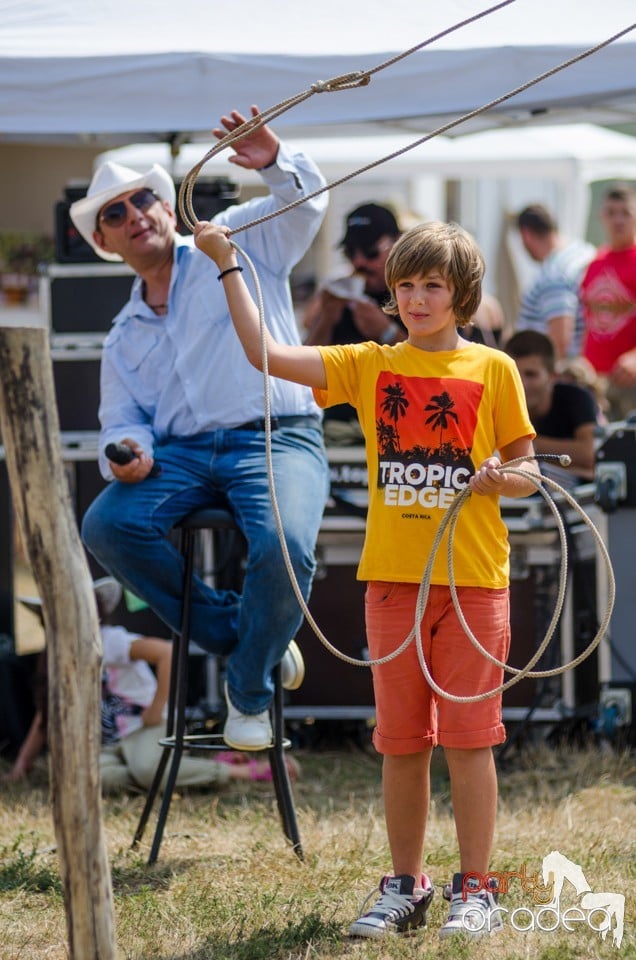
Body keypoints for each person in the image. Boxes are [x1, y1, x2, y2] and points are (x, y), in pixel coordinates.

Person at [193, 217, 539, 940]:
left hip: (473, 581)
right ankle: (405, 886)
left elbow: (529, 470)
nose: (416, 299)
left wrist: (501, 478)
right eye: (405, 285)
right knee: (402, 743)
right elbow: (263, 351)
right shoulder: (369, 364)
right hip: (392, 585)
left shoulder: (494, 368)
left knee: (470, 743)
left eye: (432, 286)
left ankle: (476, 886)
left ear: (462, 293)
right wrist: (227, 264)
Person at [68, 106, 330, 753]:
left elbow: (306, 208)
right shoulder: (124, 334)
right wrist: (124, 455)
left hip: (278, 431)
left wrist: (272, 160)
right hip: (184, 455)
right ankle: (252, 634)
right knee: (104, 524)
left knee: (287, 547)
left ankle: (247, 682)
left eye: (142, 200)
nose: (135, 216)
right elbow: (122, 425)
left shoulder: (230, 236)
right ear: (105, 241)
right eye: (116, 213)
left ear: (166, 205)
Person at [3, 579, 299, 789]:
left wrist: (157, 708)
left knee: (145, 768)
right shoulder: (54, 659)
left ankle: (242, 773)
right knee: (91, 779)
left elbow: (166, 653)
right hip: (108, 743)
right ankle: (170, 770)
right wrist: (22, 766)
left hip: (144, 726)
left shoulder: (108, 640)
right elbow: (46, 715)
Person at [303, 203, 404, 442]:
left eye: (370, 252)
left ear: (398, 245)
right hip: (339, 427)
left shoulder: (413, 293)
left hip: (398, 425)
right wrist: (326, 319)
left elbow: (434, 362)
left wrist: (386, 332)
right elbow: (305, 370)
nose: (359, 263)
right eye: (350, 253)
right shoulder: (337, 292)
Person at [504, 330, 598, 485]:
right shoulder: (496, 399)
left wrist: (523, 447)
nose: (521, 384)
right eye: (513, 374)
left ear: (553, 377)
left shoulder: (577, 398)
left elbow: (588, 454)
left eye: (531, 374)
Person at [581, 183, 636, 420]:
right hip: (596, 380)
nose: (618, 220)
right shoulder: (595, 261)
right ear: (602, 217)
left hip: (629, 382)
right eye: (612, 213)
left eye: (625, 212)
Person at [515, 203, 595, 360]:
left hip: (564, 370)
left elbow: (559, 341)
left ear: (526, 235)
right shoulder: (584, 251)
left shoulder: (555, 273)